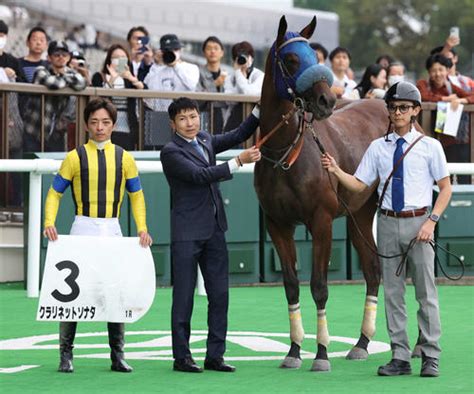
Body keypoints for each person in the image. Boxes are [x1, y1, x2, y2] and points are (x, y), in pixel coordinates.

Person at [321, 82, 452, 378]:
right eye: (392, 107)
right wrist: (336, 170)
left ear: (416, 111)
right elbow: (359, 183)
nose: (397, 113)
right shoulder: (378, 147)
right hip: (389, 223)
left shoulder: (431, 146)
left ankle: (430, 355)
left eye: (404, 107)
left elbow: (445, 189)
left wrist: (431, 221)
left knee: (425, 293)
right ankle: (400, 356)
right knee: (393, 294)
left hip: (421, 224)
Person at [43, 98, 153, 373]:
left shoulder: (125, 158)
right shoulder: (74, 156)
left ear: (113, 125)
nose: (100, 127)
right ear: (86, 126)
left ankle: (118, 356)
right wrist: (49, 222)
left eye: (105, 122)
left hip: (112, 228)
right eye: (94, 122)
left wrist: (142, 227)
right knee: (71, 296)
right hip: (82, 228)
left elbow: (136, 196)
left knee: (116, 292)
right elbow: (54, 193)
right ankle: (65, 355)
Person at [161, 97, 261, 373]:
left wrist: (260, 109)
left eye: (193, 116)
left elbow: (240, 134)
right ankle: (182, 357)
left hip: (215, 228)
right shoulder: (170, 152)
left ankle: (215, 356)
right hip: (186, 233)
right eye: (183, 119)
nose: (190, 123)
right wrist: (238, 161)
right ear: (173, 124)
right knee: (183, 298)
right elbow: (199, 176)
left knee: (220, 295)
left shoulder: (204, 139)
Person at [417, 54, 474, 184]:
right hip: (431, 138)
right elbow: (423, 96)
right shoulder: (423, 84)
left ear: (447, 71)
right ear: (429, 72)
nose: (437, 74)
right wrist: (445, 99)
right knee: (437, 176)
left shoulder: (450, 87)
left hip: (452, 138)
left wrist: (461, 100)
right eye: (433, 70)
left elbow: (472, 95)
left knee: (462, 176)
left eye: (441, 70)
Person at [22, 40, 87, 152]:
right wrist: (69, 80)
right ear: (49, 57)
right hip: (34, 131)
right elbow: (54, 84)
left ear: (68, 58)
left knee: (56, 168)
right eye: (56, 55)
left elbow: (82, 83)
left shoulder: (71, 73)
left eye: (64, 55)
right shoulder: (41, 70)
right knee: (30, 166)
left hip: (56, 133)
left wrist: (66, 78)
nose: (61, 57)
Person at [92, 44, 144, 150]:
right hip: (107, 125)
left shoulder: (129, 79)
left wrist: (131, 78)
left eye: (123, 57)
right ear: (109, 59)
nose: (120, 60)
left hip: (128, 127)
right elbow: (98, 99)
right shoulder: (99, 77)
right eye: (116, 57)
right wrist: (112, 79)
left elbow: (144, 90)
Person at [144, 34, 199, 112]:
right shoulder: (158, 69)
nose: (172, 53)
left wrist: (175, 65)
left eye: (175, 49)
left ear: (180, 50)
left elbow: (192, 85)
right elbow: (148, 87)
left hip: (184, 113)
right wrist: (156, 64)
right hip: (161, 112)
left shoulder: (191, 67)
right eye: (168, 50)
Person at [198, 36, 232, 132]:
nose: (212, 51)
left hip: (225, 118)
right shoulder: (197, 73)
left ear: (222, 53)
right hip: (204, 118)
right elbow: (197, 98)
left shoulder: (228, 75)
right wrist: (215, 84)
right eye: (209, 48)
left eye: (216, 48)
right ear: (204, 52)